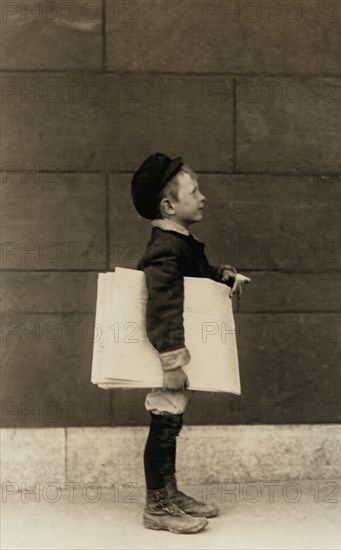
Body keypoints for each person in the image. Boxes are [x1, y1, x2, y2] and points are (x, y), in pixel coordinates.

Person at [131, 152, 251, 534]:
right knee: (163, 423)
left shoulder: (179, 242)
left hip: (173, 358)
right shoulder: (165, 248)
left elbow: (196, 280)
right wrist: (172, 362)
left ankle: (169, 491)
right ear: (169, 206)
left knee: (171, 421)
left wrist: (224, 276)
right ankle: (157, 505)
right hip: (166, 358)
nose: (202, 197)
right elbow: (163, 305)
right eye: (194, 191)